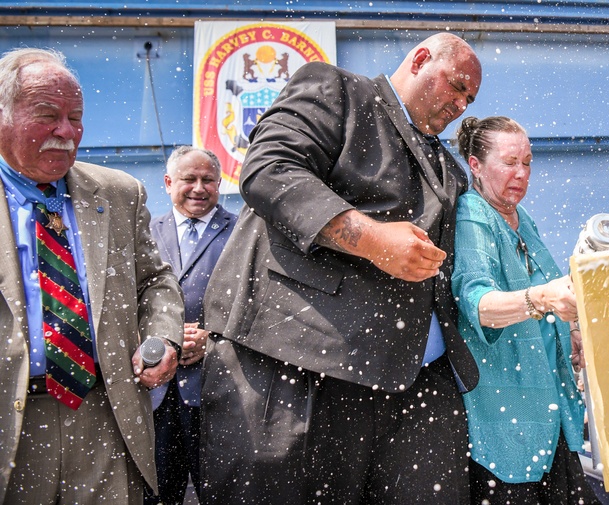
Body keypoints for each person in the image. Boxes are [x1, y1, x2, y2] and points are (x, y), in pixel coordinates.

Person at [199, 33, 482, 504]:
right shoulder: (338, 90)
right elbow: (269, 170)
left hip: (414, 383)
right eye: (455, 86)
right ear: (420, 60)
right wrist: (372, 241)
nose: (460, 103)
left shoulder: (449, 167)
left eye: (469, 99)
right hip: (300, 365)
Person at [0, 48, 183, 504]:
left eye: (75, 117)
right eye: (47, 116)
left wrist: (165, 337)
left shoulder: (119, 193)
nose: (65, 131)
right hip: (13, 419)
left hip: (106, 414)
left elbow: (156, 281)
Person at [451, 116, 600, 504]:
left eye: (528, 162)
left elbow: (548, 294)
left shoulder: (522, 218)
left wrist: (572, 332)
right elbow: (478, 303)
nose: (521, 173)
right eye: (510, 161)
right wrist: (543, 300)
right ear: (476, 165)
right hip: (506, 426)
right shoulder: (473, 214)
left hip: (549, 419)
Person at [145, 146, 235, 505]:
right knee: (156, 491)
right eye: (189, 179)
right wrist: (161, 337)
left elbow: (260, 307)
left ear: (219, 184)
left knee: (221, 491)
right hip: (156, 392)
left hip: (219, 389)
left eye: (208, 180)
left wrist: (212, 339)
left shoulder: (243, 233)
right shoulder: (144, 232)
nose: (199, 188)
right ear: (168, 183)